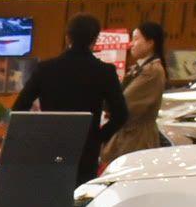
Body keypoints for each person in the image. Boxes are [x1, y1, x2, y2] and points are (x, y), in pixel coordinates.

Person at [12, 13, 129, 180]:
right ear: (95, 40)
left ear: (67, 37)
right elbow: (121, 114)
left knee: (51, 189)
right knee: (80, 192)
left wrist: (37, 135)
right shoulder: (105, 72)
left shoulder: (45, 69)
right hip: (85, 148)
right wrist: (97, 137)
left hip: (50, 144)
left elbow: (19, 108)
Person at [99, 21, 170, 167]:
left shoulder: (152, 71)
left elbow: (125, 104)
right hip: (128, 135)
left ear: (150, 43)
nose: (131, 44)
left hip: (137, 138)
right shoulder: (140, 68)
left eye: (136, 39)